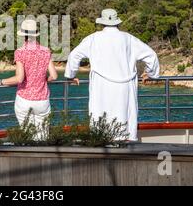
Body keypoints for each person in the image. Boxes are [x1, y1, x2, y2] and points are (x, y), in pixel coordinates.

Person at [65, 9, 160, 141]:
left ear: (102, 23)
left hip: (101, 86)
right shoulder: (129, 39)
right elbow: (151, 55)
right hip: (125, 87)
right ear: (117, 22)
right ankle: (126, 146)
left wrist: (71, 75)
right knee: (125, 117)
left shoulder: (93, 38)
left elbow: (74, 55)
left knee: (101, 116)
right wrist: (151, 74)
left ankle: (102, 143)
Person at [0, 19, 58, 140]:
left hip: (24, 100)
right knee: (43, 136)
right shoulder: (46, 51)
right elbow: (54, 76)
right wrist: (46, 78)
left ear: (24, 35)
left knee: (28, 135)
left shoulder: (20, 52)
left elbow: (19, 78)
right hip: (42, 100)